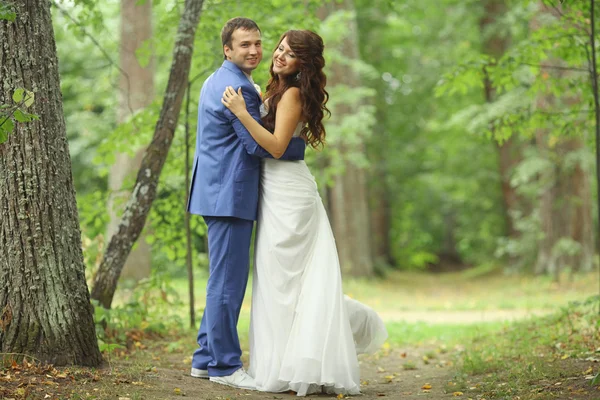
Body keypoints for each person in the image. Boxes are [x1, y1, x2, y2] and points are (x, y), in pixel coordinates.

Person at [221, 29, 388, 396]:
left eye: (290, 53)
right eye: (279, 48)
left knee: (287, 279)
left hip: (290, 194)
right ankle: (288, 361)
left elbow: (278, 147)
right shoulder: (277, 90)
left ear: (304, 63)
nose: (279, 55)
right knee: (281, 281)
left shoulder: (293, 93)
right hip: (273, 191)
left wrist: (239, 114)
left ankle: (302, 360)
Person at [186, 18, 307, 390]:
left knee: (221, 280)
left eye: (257, 43)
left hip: (217, 190)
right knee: (228, 284)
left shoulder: (216, 79)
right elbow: (260, 146)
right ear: (227, 50)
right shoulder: (236, 88)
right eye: (244, 45)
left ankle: (205, 359)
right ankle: (224, 365)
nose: (254, 50)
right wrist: (299, 148)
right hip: (229, 193)